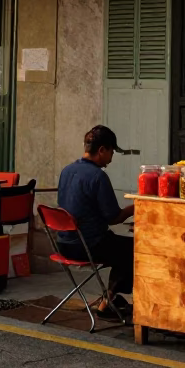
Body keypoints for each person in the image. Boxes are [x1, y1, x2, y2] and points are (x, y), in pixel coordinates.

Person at [56, 125, 134, 315]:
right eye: (111, 152)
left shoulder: (67, 170)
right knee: (134, 249)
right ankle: (109, 299)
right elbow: (114, 217)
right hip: (87, 246)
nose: (111, 158)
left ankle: (111, 298)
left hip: (63, 244)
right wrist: (137, 207)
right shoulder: (98, 177)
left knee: (119, 246)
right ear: (101, 150)